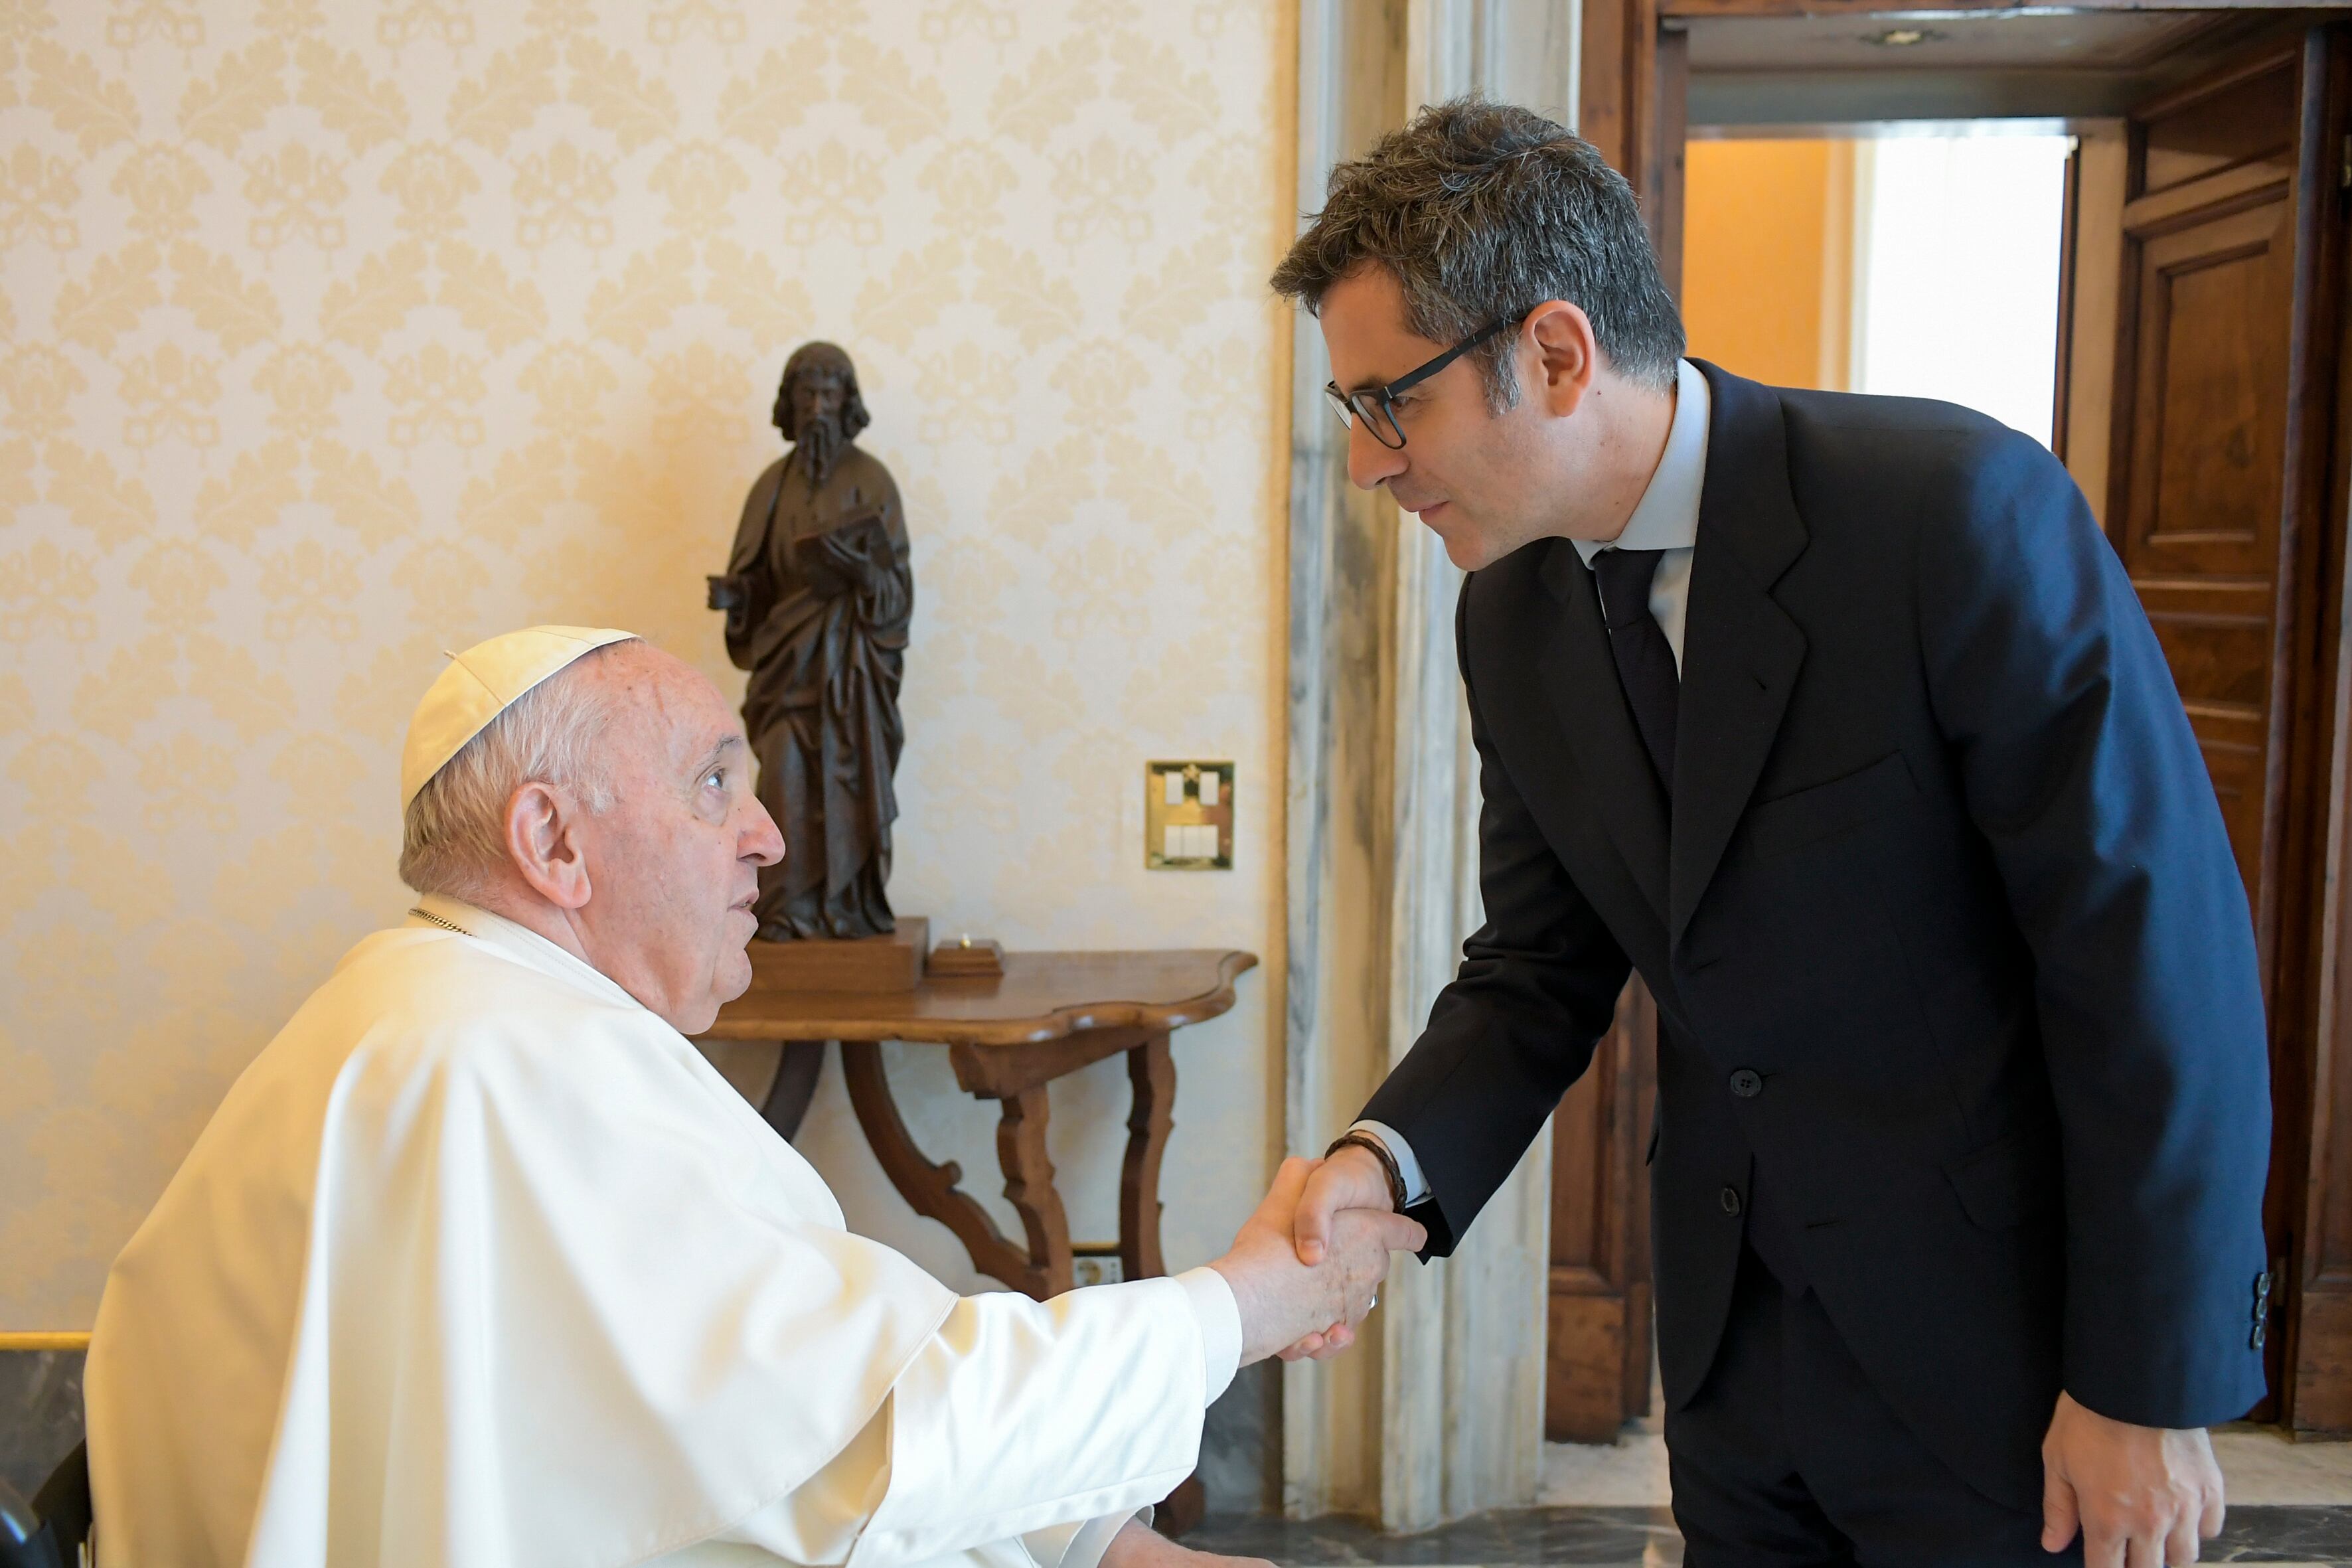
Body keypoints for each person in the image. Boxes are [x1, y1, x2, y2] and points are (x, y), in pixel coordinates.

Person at [1268, 101, 2272, 1567]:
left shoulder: (1950, 513)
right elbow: (1537, 965)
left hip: (2009, 1360)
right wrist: (1384, 1164)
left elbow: (2152, 965)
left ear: (1552, 353)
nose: (1369, 465)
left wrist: (2141, 1379)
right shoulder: (1511, 614)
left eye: (1387, 405)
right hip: (1736, 1364)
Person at [84, 626, 1421, 1568]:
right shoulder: (512, 1064)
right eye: (714, 780)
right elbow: (883, 1429)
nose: (770, 835)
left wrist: (1096, 1540)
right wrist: (1252, 1299)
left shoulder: (438, 1006)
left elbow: (778, 1424)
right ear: (552, 841)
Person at [714, 341, 911, 941]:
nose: (819, 408)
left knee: (851, 785)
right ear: (791, 403)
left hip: (851, 678)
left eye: (830, 396)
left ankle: (848, 906)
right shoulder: (770, 488)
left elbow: (897, 593)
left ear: (847, 403)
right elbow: (753, 577)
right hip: (785, 672)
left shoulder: (872, 480)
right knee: (784, 784)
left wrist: (862, 575)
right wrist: (736, 600)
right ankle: (785, 910)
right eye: (808, 395)